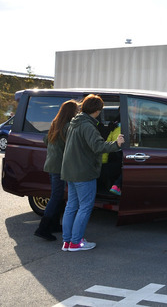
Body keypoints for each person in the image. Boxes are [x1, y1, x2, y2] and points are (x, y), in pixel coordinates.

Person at [60, 94, 124, 252]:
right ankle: (76, 242)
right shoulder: (87, 126)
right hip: (84, 172)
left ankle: (67, 241)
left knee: (71, 206)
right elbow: (98, 146)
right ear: (97, 110)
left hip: (70, 171)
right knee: (85, 207)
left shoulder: (74, 123)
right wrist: (117, 144)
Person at [34, 99, 79, 241]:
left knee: (58, 196)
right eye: (77, 110)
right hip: (59, 167)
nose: (78, 112)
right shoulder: (67, 127)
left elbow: (45, 140)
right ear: (71, 112)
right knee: (55, 197)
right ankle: (42, 228)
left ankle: (54, 225)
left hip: (51, 164)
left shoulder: (55, 124)